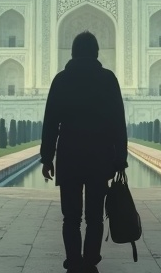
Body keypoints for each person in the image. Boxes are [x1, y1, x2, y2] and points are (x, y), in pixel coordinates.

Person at [41, 31, 128, 273]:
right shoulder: (107, 79)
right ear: (96, 52)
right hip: (99, 157)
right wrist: (120, 157)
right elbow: (117, 122)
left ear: (73, 52)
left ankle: (73, 261)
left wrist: (47, 158)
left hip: (69, 155)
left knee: (71, 217)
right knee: (94, 217)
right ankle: (90, 260)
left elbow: (50, 122)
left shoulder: (61, 79)